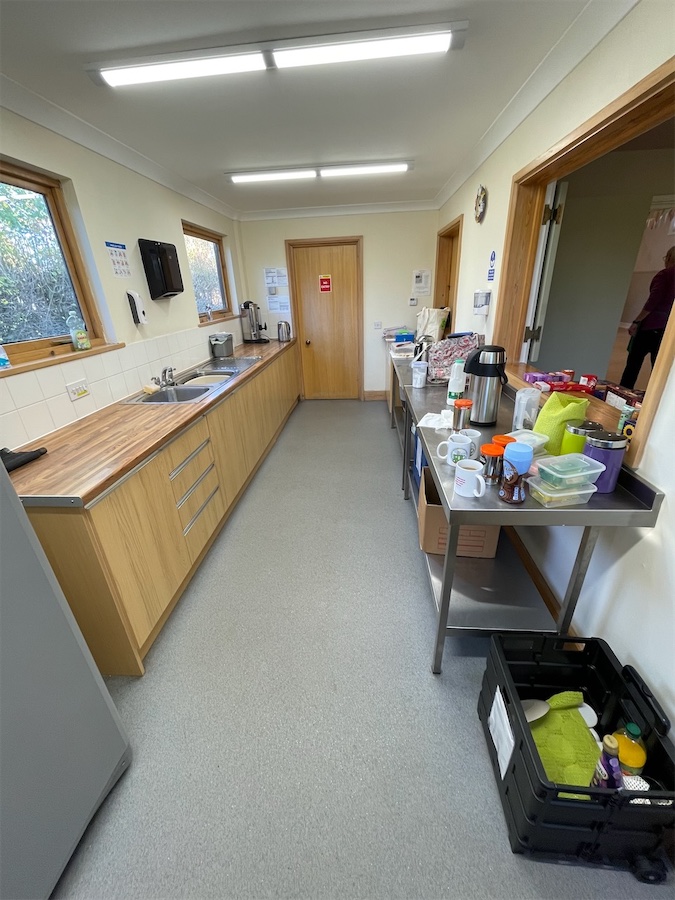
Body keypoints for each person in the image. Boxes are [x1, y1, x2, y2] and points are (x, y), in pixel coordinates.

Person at [620, 246, 675, 389]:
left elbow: (653, 301)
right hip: (667, 330)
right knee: (658, 369)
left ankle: (622, 395)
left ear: (669, 258)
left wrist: (637, 321)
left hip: (649, 328)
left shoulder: (664, 275)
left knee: (633, 365)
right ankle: (653, 400)